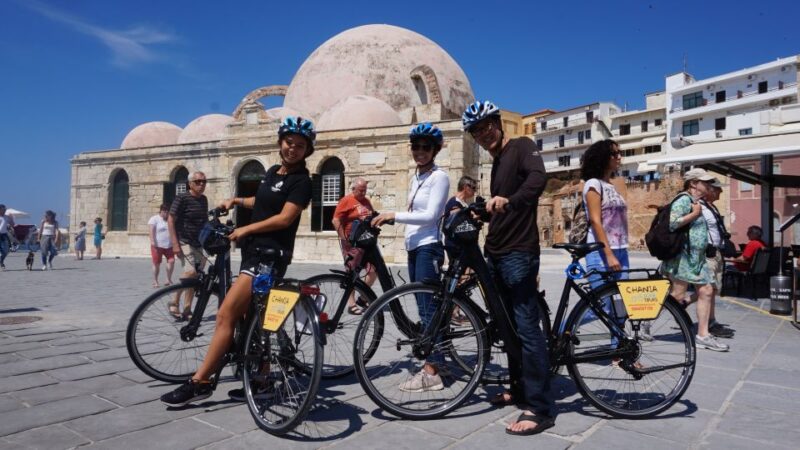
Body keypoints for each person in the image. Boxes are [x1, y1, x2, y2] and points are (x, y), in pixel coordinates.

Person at [160, 116, 314, 406]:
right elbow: (263, 201)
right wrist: (236, 202)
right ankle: (262, 378)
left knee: (225, 315)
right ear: (281, 142)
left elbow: (285, 217)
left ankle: (201, 381)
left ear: (307, 150)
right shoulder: (273, 172)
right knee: (252, 319)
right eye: (289, 143)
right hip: (252, 252)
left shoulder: (301, 181)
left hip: (270, 256)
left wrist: (245, 229)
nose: (293, 149)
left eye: (300, 145)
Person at [462, 100, 554, 436]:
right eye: (476, 132)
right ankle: (519, 390)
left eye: (486, 126)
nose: (483, 134)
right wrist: (483, 211)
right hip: (496, 251)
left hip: (518, 252)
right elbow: (502, 206)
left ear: (498, 123)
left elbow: (538, 179)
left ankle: (540, 408)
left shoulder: (521, 147)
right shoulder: (498, 162)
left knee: (527, 328)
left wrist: (510, 200)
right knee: (507, 327)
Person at [372, 122, 450, 393]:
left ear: (436, 149)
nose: (419, 151)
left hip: (429, 246)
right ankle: (439, 358)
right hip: (415, 246)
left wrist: (394, 215)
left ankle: (432, 372)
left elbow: (430, 216)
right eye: (415, 146)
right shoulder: (417, 177)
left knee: (428, 309)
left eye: (425, 147)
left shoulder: (439, 177)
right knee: (425, 308)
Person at [579, 140, 646, 344]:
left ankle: (618, 353)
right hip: (600, 253)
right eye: (614, 153)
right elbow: (596, 221)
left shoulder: (612, 186)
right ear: (602, 157)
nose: (619, 157)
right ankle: (560, 334)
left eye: (620, 152)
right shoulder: (593, 185)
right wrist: (608, 254)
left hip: (621, 252)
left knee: (619, 306)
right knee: (601, 305)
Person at [660, 168, 729, 352]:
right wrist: (694, 214)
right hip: (683, 258)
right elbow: (673, 223)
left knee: (706, 290)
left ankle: (703, 335)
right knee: (677, 297)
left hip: (696, 258)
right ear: (693, 184)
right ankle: (644, 322)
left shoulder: (695, 201)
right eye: (704, 182)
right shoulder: (684, 200)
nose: (708, 185)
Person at [687, 181, 735, 338]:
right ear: (709, 191)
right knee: (706, 290)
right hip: (706, 254)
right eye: (718, 191)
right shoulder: (698, 206)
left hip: (716, 254)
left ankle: (710, 322)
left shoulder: (711, 207)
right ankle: (703, 327)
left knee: (712, 290)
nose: (720, 193)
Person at [331, 177, 376, 314]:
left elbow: (371, 216)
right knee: (352, 273)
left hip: (366, 241)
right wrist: (344, 238)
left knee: (373, 271)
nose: (363, 193)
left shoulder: (366, 201)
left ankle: (362, 298)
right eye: (360, 191)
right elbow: (335, 220)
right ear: (353, 189)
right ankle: (351, 304)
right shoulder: (346, 201)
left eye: (365, 191)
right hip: (352, 242)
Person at [167, 171, 209, 318]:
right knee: (190, 272)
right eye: (198, 181)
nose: (201, 184)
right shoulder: (182, 198)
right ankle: (174, 301)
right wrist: (175, 243)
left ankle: (187, 309)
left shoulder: (204, 199)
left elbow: (204, 222)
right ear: (190, 183)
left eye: (204, 181)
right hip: (184, 241)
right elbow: (171, 220)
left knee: (195, 276)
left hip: (199, 243)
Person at [148, 204, 175, 288]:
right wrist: (152, 241)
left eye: (167, 212)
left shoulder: (170, 219)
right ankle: (155, 281)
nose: (166, 214)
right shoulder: (154, 219)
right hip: (157, 245)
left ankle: (168, 279)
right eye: (164, 212)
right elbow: (151, 231)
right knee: (156, 263)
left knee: (171, 261)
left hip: (169, 245)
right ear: (161, 211)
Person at [0, 204, 15, 270]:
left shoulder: (7, 217)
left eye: (5, 209)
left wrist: (11, 218)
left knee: (6, 250)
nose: (4, 210)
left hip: (4, 234)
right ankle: (2, 263)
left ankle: (1, 261)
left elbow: (13, 224)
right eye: (3, 209)